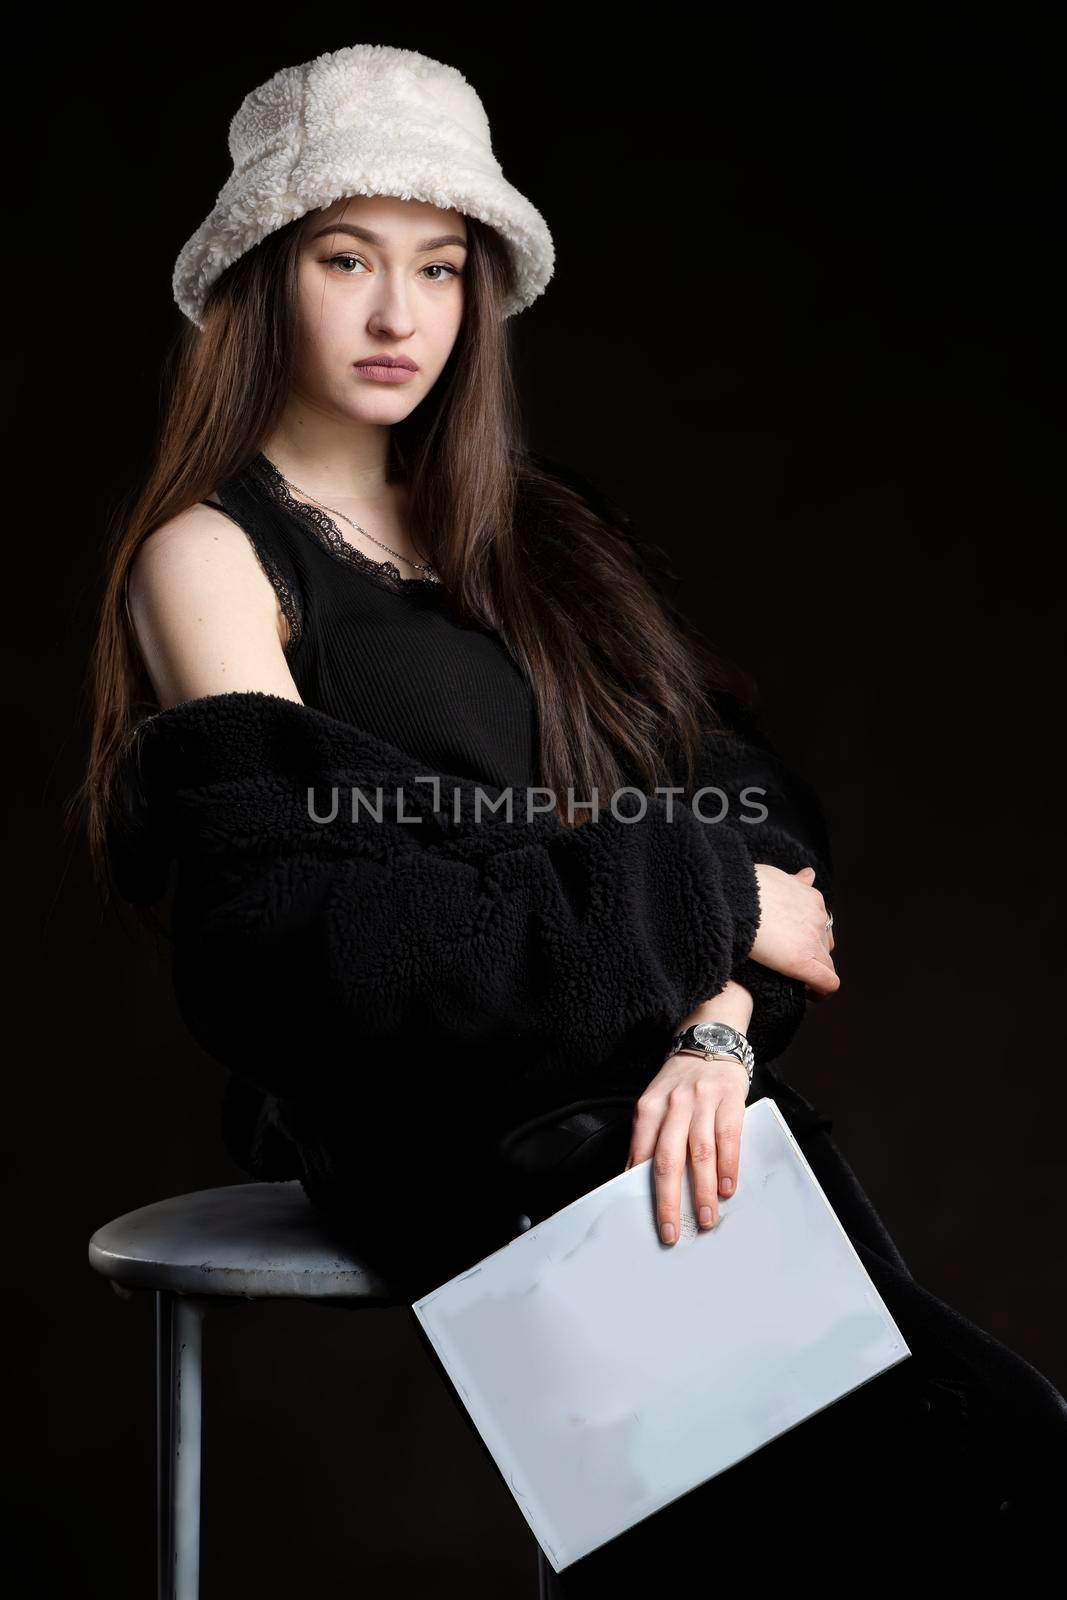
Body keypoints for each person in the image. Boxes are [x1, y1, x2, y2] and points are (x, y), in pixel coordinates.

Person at [77, 42, 1066, 1590]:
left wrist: (715, 1022)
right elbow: (305, 943)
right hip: (466, 1136)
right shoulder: (213, 555)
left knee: (1004, 1453)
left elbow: (752, 810)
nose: (400, 314)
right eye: (348, 260)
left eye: (440, 266)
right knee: (909, 1505)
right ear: (269, 278)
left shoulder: (538, 532)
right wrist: (695, 904)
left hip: (661, 1113)